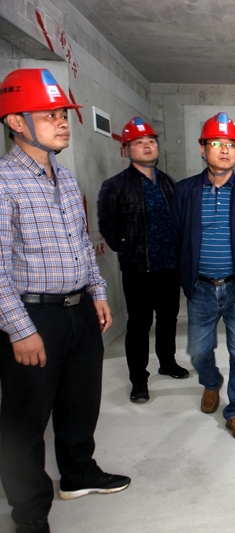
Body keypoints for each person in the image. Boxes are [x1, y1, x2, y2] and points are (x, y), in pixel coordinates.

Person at [0, 68, 130, 533]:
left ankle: (78, 473)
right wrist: (20, 329)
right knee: (25, 421)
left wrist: (97, 291)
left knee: (80, 402)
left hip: (79, 310)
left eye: (63, 114)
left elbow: (81, 244)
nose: (61, 122)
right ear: (17, 122)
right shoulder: (5, 182)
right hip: (33, 316)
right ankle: (30, 513)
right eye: (49, 114)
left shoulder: (67, 178)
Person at [171, 112, 235, 441]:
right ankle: (211, 382)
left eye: (230, 144)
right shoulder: (185, 191)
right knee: (199, 351)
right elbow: (177, 236)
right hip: (200, 287)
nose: (225, 149)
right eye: (216, 143)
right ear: (203, 149)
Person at [98, 117, 189, 404]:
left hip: (169, 266)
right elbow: (107, 224)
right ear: (127, 149)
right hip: (138, 269)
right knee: (139, 324)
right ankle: (139, 379)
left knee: (168, 318)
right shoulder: (115, 185)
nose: (147, 146)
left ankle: (167, 362)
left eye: (151, 141)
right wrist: (126, 247)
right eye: (139, 142)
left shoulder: (169, 183)